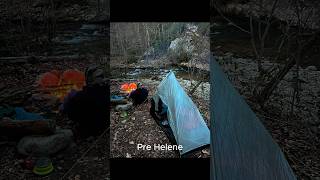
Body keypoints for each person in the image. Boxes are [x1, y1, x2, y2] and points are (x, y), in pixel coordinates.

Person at [61, 66, 109, 138]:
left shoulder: (80, 95)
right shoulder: (106, 90)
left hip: (88, 129)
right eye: (101, 76)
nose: (102, 78)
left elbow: (69, 112)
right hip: (104, 127)